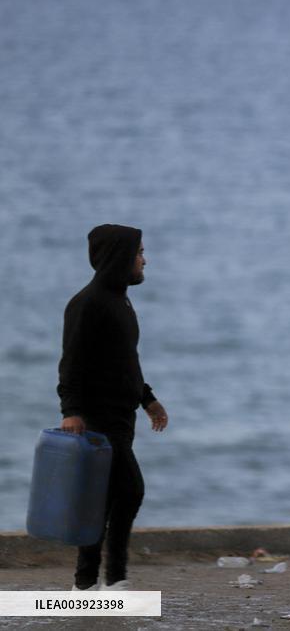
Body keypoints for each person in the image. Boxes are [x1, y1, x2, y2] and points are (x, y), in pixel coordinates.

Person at [57, 224, 169, 591]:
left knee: (102, 500)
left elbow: (125, 361)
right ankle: (114, 579)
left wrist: (147, 398)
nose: (144, 260)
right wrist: (70, 411)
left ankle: (86, 584)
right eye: (139, 254)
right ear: (120, 257)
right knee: (130, 490)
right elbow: (71, 364)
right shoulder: (86, 304)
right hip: (96, 418)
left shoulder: (120, 300)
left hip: (122, 417)